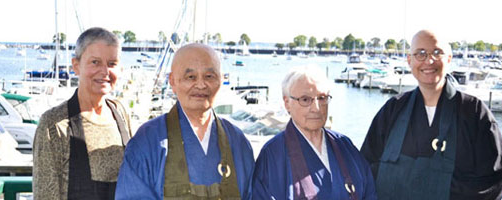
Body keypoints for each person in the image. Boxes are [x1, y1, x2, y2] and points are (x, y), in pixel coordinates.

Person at [360, 30, 502, 200]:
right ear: (410, 61)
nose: (429, 61)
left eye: (437, 53)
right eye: (420, 54)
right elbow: (365, 168)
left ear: (449, 58)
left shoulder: (474, 112)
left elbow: (494, 179)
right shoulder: (393, 110)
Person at [115, 43, 255, 199]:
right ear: (173, 81)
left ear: (221, 80)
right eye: (191, 77)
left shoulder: (238, 141)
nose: (201, 85)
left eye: (209, 76)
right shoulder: (148, 141)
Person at [33, 27, 132, 200]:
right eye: (95, 62)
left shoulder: (121, 114)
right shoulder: (54, 124)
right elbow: (45, 195)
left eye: (112, 63)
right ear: (76, 66)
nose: (105, 72)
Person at [252, 66, 377, 200]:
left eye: (322, 98)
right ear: (287, 103)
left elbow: (369, 193)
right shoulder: (272, 155)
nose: (316, 108)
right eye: (305, 100)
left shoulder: (345, 146)